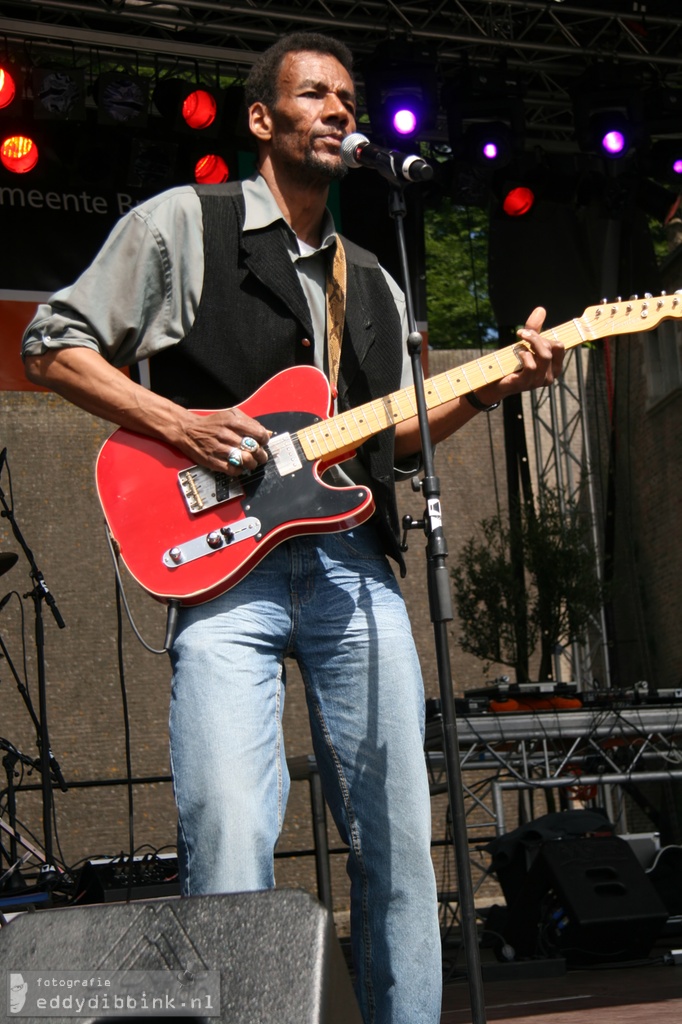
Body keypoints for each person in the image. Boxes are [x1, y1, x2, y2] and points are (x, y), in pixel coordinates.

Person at [22, 32, 564, 1024]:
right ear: (262, 120)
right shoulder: (190, 223)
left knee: (401, 839)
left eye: (349, 99)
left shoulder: (375, 277)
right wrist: (177, 420)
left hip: (354, 569)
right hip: (225, 574)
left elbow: (394, 441)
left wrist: (495, 388)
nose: (339, 111)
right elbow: (52, 342)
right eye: (314, 95)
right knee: (228, 831)